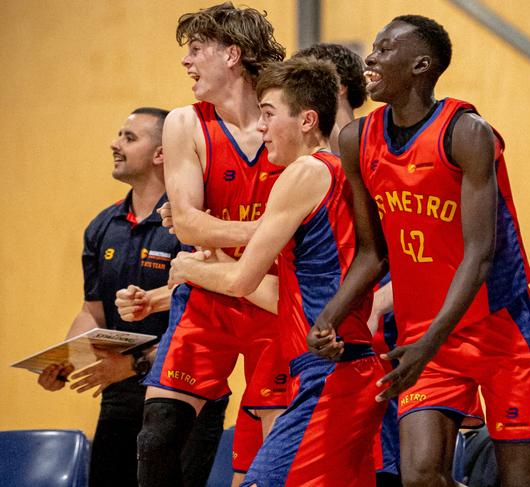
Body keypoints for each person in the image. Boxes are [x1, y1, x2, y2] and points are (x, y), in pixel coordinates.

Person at [308, 14, 530, 487]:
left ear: (422, 65)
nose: (370, 58)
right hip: (425, 337)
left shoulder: (467, 132)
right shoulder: (358, 140)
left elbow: (479, 256)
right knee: (418, 476)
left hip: (498, 331)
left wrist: (428, 344)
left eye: (385, 48)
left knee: (522, 481)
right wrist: (329, 316)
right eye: (372, 46)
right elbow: (372, 254)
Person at [167, 56, 386, 487]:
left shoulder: (304, 171)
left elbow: (240, 282)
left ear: (307, 120)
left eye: (269, 115)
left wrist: (186, 266)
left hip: (331, 375)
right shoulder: (339, 172)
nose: (261, 127)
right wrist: (221, 264)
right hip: (348, 369)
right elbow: (282, 296)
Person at [135, 4, 288, 487]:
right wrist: (270, 230)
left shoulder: (282, 119)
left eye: (196, 50)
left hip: (275, 300)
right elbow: (187, 224)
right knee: (157, 440)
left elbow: (201, 225)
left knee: (278, 451)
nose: (186, 62)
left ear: (232, 55)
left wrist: (217, 232)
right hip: (210, 297)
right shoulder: (185, 122)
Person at [36, 108, 228, 487]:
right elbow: (94, 311)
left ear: (160, 153)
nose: (114, 143)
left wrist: (137, 364)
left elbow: (208, 313)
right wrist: (67, 357)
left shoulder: (190, 223)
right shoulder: (102, 225)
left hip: (185, 390)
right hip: (119, 395)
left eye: (129, 137)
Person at [293, 42, 401, 486]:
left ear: (332, 89)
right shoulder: (307, 166)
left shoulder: (380, 146)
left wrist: (375, 304)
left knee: (400, 469)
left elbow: (412, 246)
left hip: (388, 335)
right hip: (331, 338)